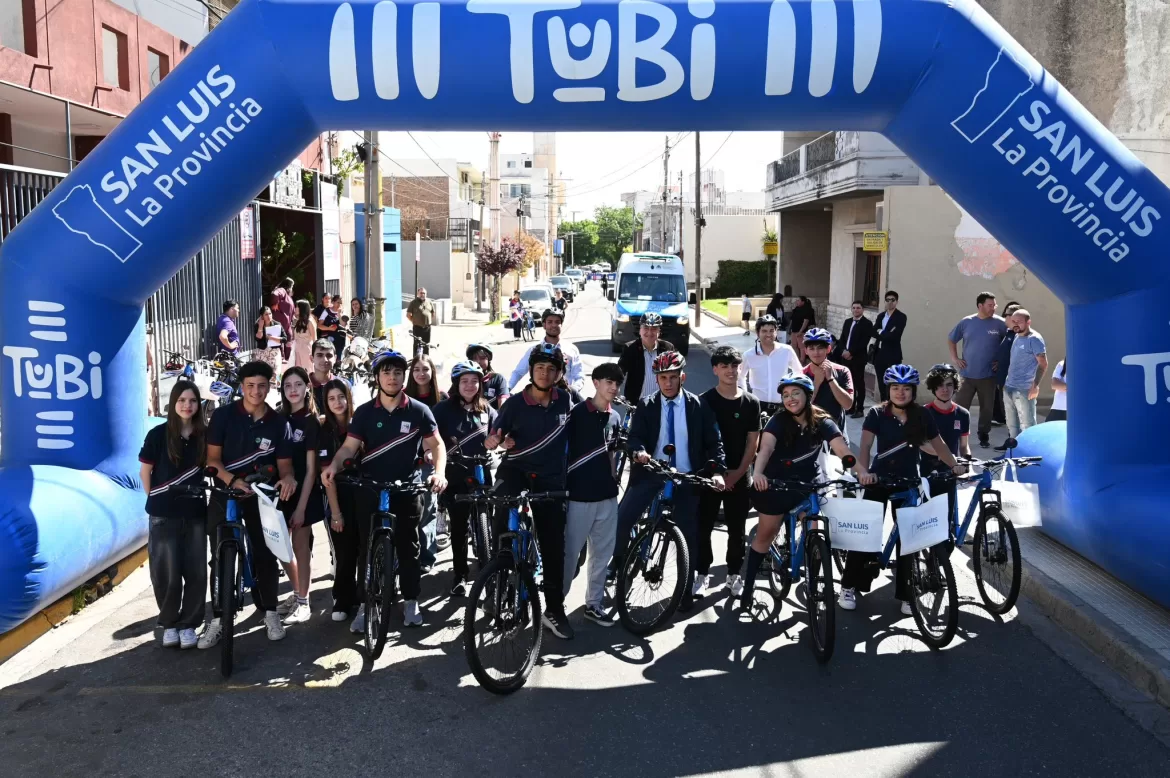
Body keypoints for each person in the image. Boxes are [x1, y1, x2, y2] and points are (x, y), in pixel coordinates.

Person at [321, 349, 447, 631]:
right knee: (367, 548)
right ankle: (366, 606)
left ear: (404, 377)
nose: (392, 378)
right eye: (386, 372)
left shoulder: (419, 410)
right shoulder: (365, 413)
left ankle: (411, 601)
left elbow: (437, 445)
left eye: (397, 372)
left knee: (409, 548)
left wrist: (439, 472)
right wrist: (334, 465)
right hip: (370, 489)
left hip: (407, 488)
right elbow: (348, 448)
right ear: (377, 377)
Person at [840, 365, 965, 613]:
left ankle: (908, 594)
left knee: (909, 539)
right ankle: (849, 585)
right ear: (889, 390)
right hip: (878, 480)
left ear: (913, 391)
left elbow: (938, 445)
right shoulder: (877, 413)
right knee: (866, 533)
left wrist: (955, 465)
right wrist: (863, 473)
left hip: (909, 482)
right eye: (896, 388)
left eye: (906, 388)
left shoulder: (922, 415)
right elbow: (865, 446)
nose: (901, 393)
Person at [613, 351, 726, 614]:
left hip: (685, 477)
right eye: (663, 378)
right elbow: (635, 436)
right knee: (622, 519)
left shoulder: (697, 405)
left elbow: (714, 443)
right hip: (651, 473)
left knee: (689, 536)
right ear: (657, 379)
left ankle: (684, 591)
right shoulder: (647, 405)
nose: (667, 383)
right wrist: (638, 451)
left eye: (673, 377)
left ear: (682, 377)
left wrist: (718, 471)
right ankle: (620, 565)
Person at [198, 360, 299, 648]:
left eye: (262, 386)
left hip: (261, 496)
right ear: (242, 386)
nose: (256, 391)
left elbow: (285, 466)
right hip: (225, 493)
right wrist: (232, 481)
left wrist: (289, 479)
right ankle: (217, 619)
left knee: (266, 555)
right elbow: (212, 460)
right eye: (250, 385)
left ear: (270, 386)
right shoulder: (222, 416)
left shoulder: (279, 423)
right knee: (218, 557)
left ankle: (269, 612)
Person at [487, 343, 575, 638]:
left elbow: (588, 422)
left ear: (559, 373)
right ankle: (496, 586)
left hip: (550, 477)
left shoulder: (566, 400)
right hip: (516, 470)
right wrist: (497, 441)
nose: (545, 373)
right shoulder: (513, 403)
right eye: (540, 367)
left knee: (553, 546)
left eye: (552, 369)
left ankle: (554, 609)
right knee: (500, 523)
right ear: (531, 370)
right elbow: (496, 434)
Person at [745, 373, 854, 606]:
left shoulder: (822, 420)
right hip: (775, 483)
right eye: (785, 395)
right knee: (767, 533)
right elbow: (765, 448)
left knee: (815, 527)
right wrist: (758, 473)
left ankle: (814, 577)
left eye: (795, 393)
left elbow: (841, 448)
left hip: (807, 483)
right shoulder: (778, 420)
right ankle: (747, 586)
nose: (790, 399)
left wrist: (858, 470)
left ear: (808, 395)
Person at [139, 380, 208, 650]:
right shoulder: (157, 435)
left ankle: (189, 624)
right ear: (173, 404)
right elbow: (145, 472)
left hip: (194, 513)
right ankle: (169, 624)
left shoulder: (205, 435)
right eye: (182, 400)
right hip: (163, 514)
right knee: (165, 573)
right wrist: (155, 499)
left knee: (195, 571)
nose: (187, 406)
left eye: (192, 401)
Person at [562, 362, 625, 626]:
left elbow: (612, 454)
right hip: (578, 497)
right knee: (569, 554)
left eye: (616, 383)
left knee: (602, 554)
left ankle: (594, 604)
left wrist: (612, 480)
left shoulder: (616, 417)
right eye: (608, 382)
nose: (613, 387)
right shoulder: (576, 414)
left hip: (607, 498)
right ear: (595, 383)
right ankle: (556, 605)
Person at [695, 347, 760, 599]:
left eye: (734, 366)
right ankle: (702, 573)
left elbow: (752, 443)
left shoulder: (750, 403)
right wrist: (716, 473)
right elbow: (699, 442)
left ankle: (734, 575)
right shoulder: (704, 401)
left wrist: (737, 474)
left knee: (737, 529)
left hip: (739, 476)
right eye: (725, 366)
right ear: (715, 370)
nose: (731, 371)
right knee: (704, 527)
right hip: (709, 476)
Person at [433, 361, 497, 596]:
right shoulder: (442, 410)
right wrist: (431, 454)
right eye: (464, 381)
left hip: (482, 472)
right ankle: (460, 574)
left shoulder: (486, 409)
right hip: (455, 474)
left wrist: (501, 439)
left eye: (474, 381)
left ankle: (488, 568)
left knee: (487, 523)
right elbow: (429, 438)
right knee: (459, 527)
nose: (470, 386)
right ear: (456, 384)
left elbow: (500, 431)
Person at [270, 366, 325, 626]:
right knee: (281, 547)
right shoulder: (277, 418)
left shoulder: (311, 421)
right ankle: (296, 592)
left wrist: (302, 507)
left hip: (305, 492)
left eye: (298, 385)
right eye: (288, 385)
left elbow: (312, 469)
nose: (293, 390)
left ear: (307, 388)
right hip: (280, 491)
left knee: (302, 548)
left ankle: (304, 602)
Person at [319, 378, 360, 622]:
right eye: (331, 398)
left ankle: (367, 595)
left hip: (365, 492)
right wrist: (335, 513)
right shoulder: (324, 430)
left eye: (341, 397)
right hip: (338, 495)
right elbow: (327, 476)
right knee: (344, 552)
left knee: (365, 547)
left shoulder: (360, 423)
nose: (337, 402)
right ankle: (342, 599)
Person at [949, 292, 1008, 450]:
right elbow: (951, 338)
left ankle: (983, 434)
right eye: (990, 305)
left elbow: (1010, 343)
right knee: (959, 407)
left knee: (987, 408)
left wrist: (1001, 362)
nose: (993, 308)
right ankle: (955, 434)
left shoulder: (1000, 323)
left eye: (994, 305)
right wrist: (955, 359)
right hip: (966, 375)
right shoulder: (966, 322)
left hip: (988, 375)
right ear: (980, 306)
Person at [406, 354, 446, 567]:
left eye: (425, 369)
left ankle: (426, 557)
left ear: (432, 372)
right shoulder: (402, 397)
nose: (421, 374)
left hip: (430, 463)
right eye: (416, 370)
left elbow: (443, 435)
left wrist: (432, 452)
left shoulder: (442, 398)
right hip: (406, 462)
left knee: (427, 511)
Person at [921, 364, 971, 515]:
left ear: (955, 386)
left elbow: (964, 446)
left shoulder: (963, 414)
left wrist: (967, 462)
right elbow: (923, 444)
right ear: (933, 388)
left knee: (948, 518)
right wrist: (950, 458)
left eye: (949, 385)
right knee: (928, 518)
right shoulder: (924, 412)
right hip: (927, 474)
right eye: (940, 385)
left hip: (950, 472)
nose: (945, 389)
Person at [998, 309, 1047, 448]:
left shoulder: (1035, 339)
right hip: (1009, 387)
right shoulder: (1016, 336)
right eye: (1013, 321)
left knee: (1028, 426)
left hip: (1024, 389)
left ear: (1028, 322)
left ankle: (1030, 451)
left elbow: (1043, 364)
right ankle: (1014, 453)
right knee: (1012, 426)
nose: (1015, 324)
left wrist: (1035, 385)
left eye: (1019, 321)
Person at [507, 308, 585, 394]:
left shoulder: (571, 349)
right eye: (550, 322)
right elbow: (518, 372)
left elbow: (579, 376)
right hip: (539, 396)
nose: (554, 325)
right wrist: (506, 390)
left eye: (557, 322)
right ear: (544, 325)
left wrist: (573, 391)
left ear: (561, 324)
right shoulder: (534, 350)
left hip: (565, 396)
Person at [739, 314, 803, 417]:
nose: (768, 334)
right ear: (757, 333)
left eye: (771, 331)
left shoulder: (786, 350)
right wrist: (745, 397)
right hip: (757, 406)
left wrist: (794, 395)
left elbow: (799, 373)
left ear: (776, 332)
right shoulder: (748, 355)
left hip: (782, 406)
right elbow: (740, 377)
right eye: (764, 331)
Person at [616, 311, 676, 405]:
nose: (649, 332)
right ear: (640, 330)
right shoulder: (630, 348)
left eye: (654, 329)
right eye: (646, 328)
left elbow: (676, 374)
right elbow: (619, 373)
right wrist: (615, 389)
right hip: (636, 404)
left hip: (663, 403)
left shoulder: (668, 348)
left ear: (659, 331)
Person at [801, 328, 854, 432]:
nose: (816, 352)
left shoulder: (842, 371)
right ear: (806, 351)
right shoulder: (801, 374)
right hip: (812, 432)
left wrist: (831, 379)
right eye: (811, 348)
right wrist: (816, 384)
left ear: (829, 349)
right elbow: (800, 409)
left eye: (820, 348)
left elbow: (847, 405)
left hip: (837, 432)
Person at [832, 301, 874, 418]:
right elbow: (843, 339)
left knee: (859, 384)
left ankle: (860, 409)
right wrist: (843, 351)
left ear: (863, 310)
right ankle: (850, 407)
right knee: (849, 383)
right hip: (846, 358)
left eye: (858, 308)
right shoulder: (847, 322)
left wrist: (851, 352)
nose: (856, 310)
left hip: (858, 358)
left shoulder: (867, 323)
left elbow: (863, 342)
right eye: (854, 308)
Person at [871, 290, 907, 403]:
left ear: (896, 302)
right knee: (882, 384)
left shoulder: (901, 317)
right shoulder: (881, 316)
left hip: (893, 355)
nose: (890, 302)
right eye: (888, 300)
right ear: (885, 301)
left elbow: (895, 336)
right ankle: (884, 406)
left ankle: (894, 406)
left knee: (893, 383)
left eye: (893, 300)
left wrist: (881, 332)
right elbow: (873, 332)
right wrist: (885, 333)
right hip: (879, 354)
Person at [992, 301, 1023, 429]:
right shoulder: (1009, 333)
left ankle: (1016, 443)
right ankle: (1011, 440)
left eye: (1007, 315)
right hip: (1003, 379)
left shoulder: (1020, 335)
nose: (1004, 317)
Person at [467, 343, 509, 409]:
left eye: (482, 358)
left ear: (489, 360)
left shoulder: (498, 379)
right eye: (474, 358)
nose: (478, 361)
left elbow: (502, 405)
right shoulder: (464, 379)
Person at [254, 306, 287, 379]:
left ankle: (276, 388)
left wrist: (271, 337)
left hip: (274, 352)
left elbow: (284, 339)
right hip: (262, 353)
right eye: (266, 314)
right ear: (262, 316)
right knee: (262, 375)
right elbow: (257, 338)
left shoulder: (277, 324)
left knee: (276, 374)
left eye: (270, 313)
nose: (269, 316)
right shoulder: (258, 325)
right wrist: (260, 327)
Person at [309, 338, 338, 412]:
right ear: (312, 358)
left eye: (329, 355)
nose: (325, 359)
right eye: (319, 355)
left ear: (335, 358)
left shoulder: (342, 384)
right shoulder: (303, 385)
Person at [270, 277, 296, 361]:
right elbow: (275, 293)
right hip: (277, 326)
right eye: (292, 286)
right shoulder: (282, 290)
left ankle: (286, 360)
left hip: (286, 326)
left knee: (287, 347)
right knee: (275, 353)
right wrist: (275, 304)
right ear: (289, 286)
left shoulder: (288, 297)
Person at [406, 286, 436, 354]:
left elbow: (433, 313)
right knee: (417, 345)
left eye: (424, 293)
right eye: (421, 293)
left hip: (427, 328)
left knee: (426, 344)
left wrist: (428, 320)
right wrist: (414, 321)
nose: (422, 294)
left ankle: (426, 359)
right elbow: (408, 315)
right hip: (417, 328)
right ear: (418, 294)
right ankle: (415, 360)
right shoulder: (413, 303)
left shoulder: (429, 302)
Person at [291, 299, 317, 370]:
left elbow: (315, 339)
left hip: (307, 350)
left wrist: (314, 353)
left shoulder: (310, 321)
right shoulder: (298, 321)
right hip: (297, 349)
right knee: (298, 370)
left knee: (307, 370)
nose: (295, 308)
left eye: (297, 307)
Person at [788, 296, 816, 360]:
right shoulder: (796, 309)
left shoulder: (807, 310)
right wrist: (790, 328)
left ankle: (802, 360)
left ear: (803, 302)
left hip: (801, 331)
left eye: (798, 300)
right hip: (794, 330)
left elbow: (806, 321)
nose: (796, 302)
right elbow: (792, 320)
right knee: (794, 346)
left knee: (801, 346)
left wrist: (801, 331)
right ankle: (796, 359)